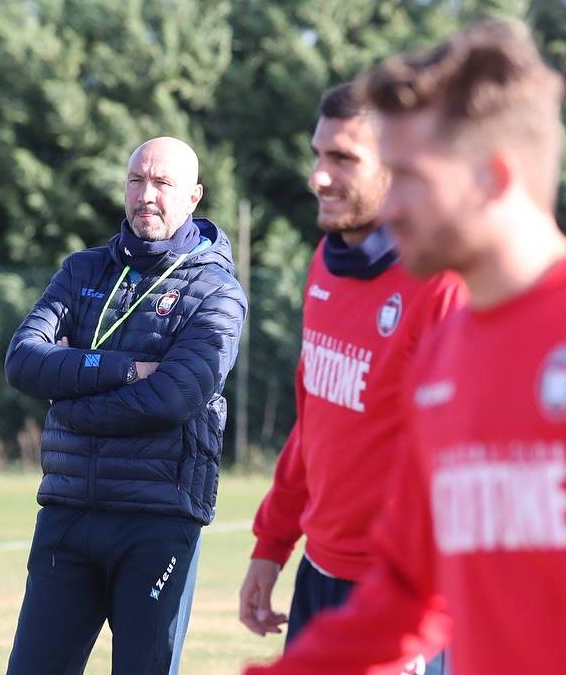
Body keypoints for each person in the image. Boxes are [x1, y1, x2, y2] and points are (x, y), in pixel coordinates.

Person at [245, 19, 566, 675]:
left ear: (493, 175)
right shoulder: (447, 350)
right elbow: (409, 591)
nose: (392, 203)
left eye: (410, 176)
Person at [237, 82, 462, 675]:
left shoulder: (441, 285)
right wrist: (273, 542)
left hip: (398, 592)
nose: (318, 177)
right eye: (318, 153)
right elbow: (316, 419)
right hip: (320, 575)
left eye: (343, 159)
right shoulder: (327, 260)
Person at [4, 136, 247, 675]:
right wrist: (123, 369)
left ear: (193, 197)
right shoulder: (82, 271)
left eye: (163, 183)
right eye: (137, 180)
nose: (147, 196)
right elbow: (22, 361)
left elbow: (173, 398)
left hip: (157, 518)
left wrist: (68, 396)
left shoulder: (217, 291)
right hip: (69, 511)